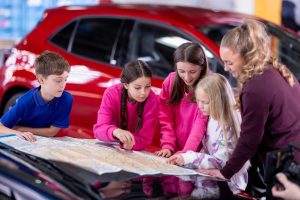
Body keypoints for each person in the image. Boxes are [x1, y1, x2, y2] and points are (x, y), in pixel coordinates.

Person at [198, 19, 300, 189]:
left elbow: (249, 141)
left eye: (229, 62)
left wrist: (225, 172)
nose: (225, 68)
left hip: (290, 166)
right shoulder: (274, 69)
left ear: (246, 56)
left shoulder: (255, 88)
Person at [168, 74, 249, 193]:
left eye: (204, 102)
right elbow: (207, 152)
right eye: (198, 101)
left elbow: (220, 162)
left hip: (230, 186)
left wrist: (188, 158)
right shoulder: (212, 117)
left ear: (218, 101)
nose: (199, 106)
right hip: (211, 179)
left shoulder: (227, 126)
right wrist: (185, 161)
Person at [0, 51, 73, 141]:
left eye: (65, 80)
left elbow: (52, 132)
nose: (63, 85)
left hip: (42, 143)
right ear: (41, 79)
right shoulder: (25, 101)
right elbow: (1, 127)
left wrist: (21, 129)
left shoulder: (66, 99)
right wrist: (18, 133)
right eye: (58, 80)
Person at [155, 42, 208, 158]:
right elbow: (165, 118)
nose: (187, 77)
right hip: (172, 150)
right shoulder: (171, 81)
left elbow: (200, 126)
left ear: (202, 67)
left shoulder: (207, 88)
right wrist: (168, 145)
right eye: (182, 71)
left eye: (192, 72)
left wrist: (185, 154)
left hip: (194, 155)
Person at [93, 60, 159, 151]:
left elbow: (145, 138)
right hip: (107, 147)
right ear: (126, 84)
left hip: (131, 151)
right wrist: (115, 131)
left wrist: (130, 144)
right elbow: (99, 130)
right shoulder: (111, 93)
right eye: (137, 87)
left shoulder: (152, 101)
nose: (143, 93)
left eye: (147, 86)